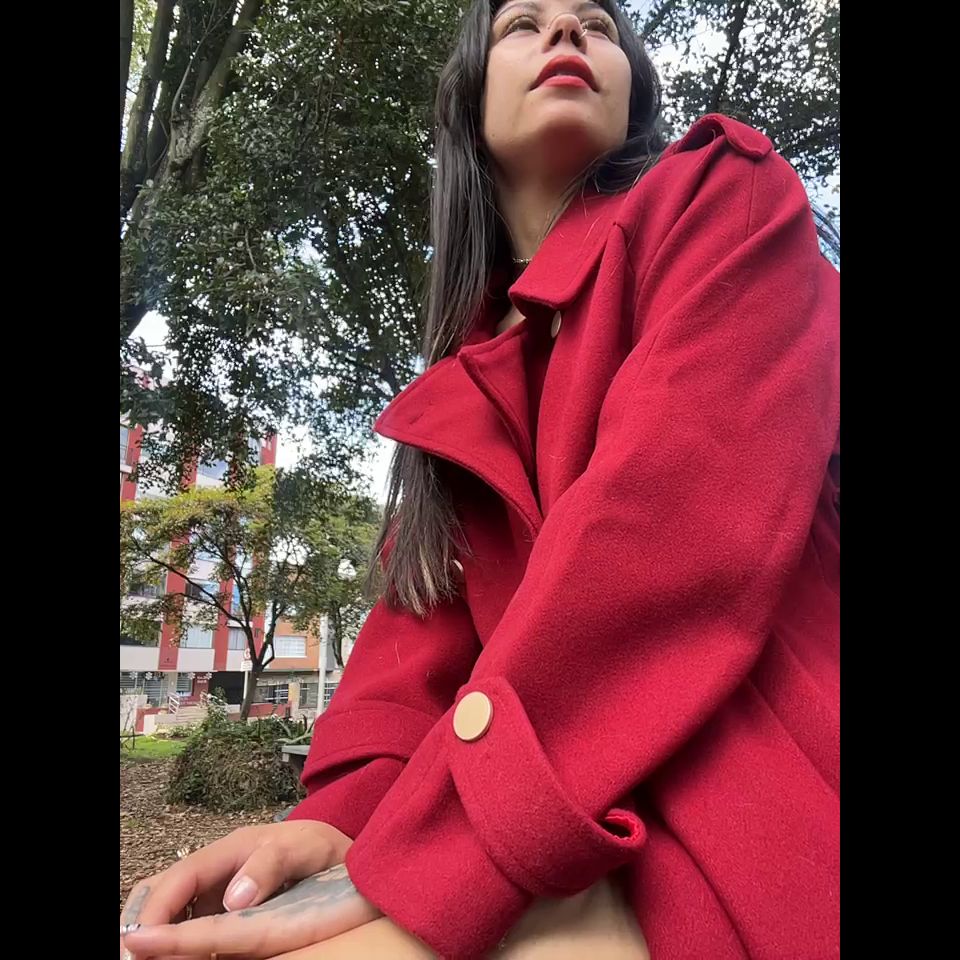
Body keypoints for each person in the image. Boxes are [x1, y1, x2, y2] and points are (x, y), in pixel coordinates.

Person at [120, 1, 840, 958]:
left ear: (635, 90)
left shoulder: (724, 196)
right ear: (466, 96)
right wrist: (341, 821)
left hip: (756, 805)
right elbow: (413, 645)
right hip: (551, 831)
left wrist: (433, 850)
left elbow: (674, 530)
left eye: (597, 24)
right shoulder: (456, 396)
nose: (567, 34)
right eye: (522, 24)